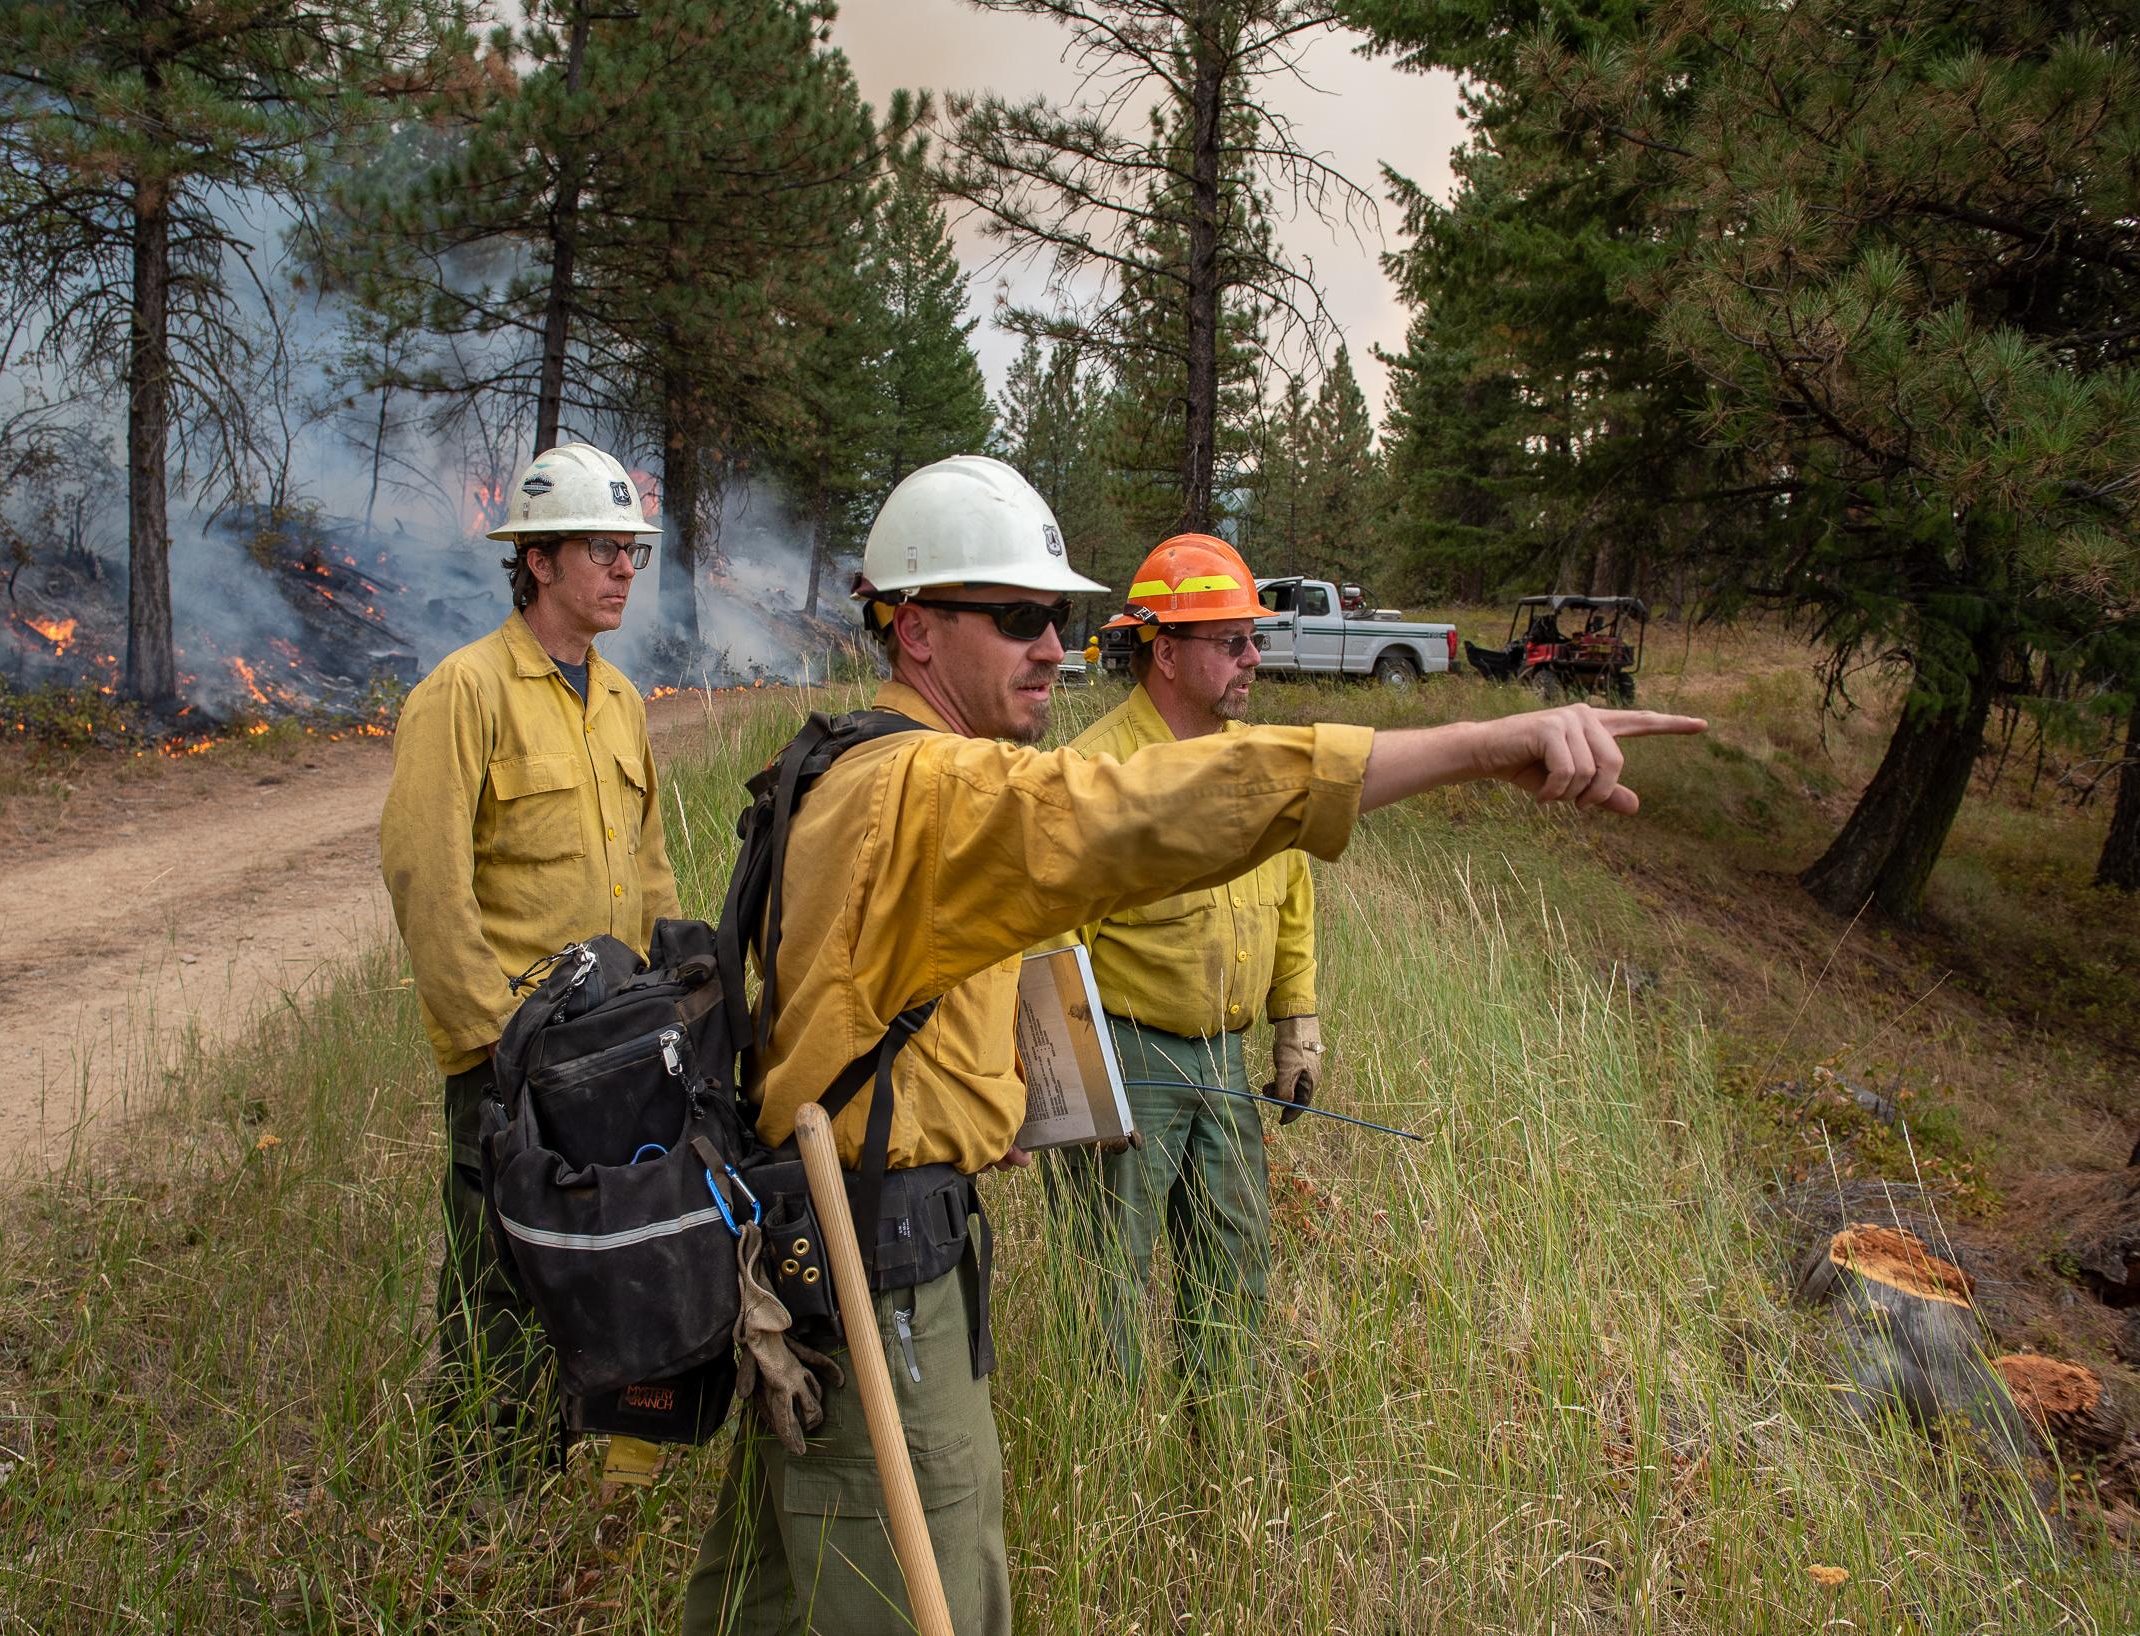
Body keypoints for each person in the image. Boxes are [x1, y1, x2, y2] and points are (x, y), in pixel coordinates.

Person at [680, 455, 1703, 1635]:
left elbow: (879, 990)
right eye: (1017, 619)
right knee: (920, 1599)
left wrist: (979, 1099)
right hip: (878, 1287)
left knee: (766, 1595)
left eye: (1056, 619)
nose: (1051, 648)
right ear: (914, 630)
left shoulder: (844, 758)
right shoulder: (929, 785)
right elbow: (1137, 813)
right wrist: (1472, 745)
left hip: (825, 1244)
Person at [379, 441, 682, 1491]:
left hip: (612, 1061)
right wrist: (489, 1048)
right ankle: (472, 1515)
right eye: (603, 548)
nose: (623, 569)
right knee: (496, 1291)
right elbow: (426, 874)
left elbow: (645, 870)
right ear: (538, 561)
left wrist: (670, 1005)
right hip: (512, 1068)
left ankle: (574, 1479)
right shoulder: (463, 694)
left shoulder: (621, 703)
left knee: (597, 1273)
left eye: (632, 550)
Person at [1050, 534, 1307, 1393]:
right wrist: (1080, 1088)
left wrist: (1295, 1023)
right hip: (1129, 1057)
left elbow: (1293, 893)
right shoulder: (1096, 770)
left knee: (1234, 1265)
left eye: (1254, 641)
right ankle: (1109, 1469)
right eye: (1232, 643)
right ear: (1167, 653)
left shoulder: (1256, 759)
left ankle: (1222, 1455)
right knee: (1108, 1279)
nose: (1252, 660)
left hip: (1227, 1059)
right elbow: (1054, 941)